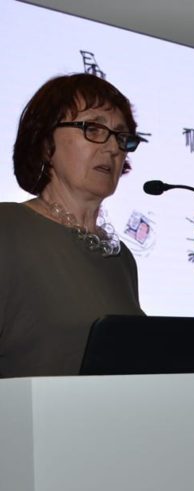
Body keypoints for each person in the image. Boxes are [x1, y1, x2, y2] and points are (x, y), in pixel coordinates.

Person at [0, 73, 147, 378]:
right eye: (93, 128)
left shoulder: (121, 258)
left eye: (121, 136)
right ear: (45, 144)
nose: (113, 148)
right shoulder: (8, 227)